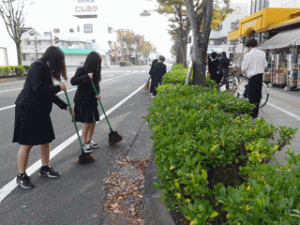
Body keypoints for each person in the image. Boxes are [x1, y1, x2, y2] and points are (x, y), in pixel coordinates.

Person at [13, 46, 71, 189]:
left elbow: (49, 94)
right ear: (54, 59)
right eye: (59, 61)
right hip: (28, 109)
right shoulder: (38, 67)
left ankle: (45, 168)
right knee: (27, 143)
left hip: (41, 111)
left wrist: (66, 106)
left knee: (46, 140)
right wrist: (59, 88)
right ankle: (21, 176)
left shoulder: (46, 69)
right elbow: (37, 89)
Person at [71, 51, 102, 153]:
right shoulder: (81, 70)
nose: (98, 65)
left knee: (93, 122)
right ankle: (84, 144)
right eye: (97, 62)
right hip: (82, 100)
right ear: (92, 61)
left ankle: (89, 141)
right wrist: (86, 76)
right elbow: (73, 81)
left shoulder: (96, 72)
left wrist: (97, 93)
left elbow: (97, 86)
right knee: (88, 123)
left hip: (92, 100)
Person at [241, 38, 267, 119]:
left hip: (252, 77)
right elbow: (265, 65)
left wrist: (245, 72)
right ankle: (256, 113)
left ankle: (251, 113)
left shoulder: (248, 55)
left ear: (249, 46)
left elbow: (243, 68)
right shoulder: (262, 53)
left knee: (251, 96)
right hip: (260, 76)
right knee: (258, 95)